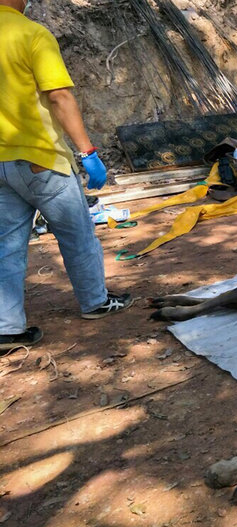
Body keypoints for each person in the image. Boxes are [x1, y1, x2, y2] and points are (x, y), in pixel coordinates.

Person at [0, 0, 133, 352]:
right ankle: (95, 302)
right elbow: (58, 95)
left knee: (7, 246)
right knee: (77, 235)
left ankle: (7, 327)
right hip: (41, 158)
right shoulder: (31, 33)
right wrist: (88, 152)